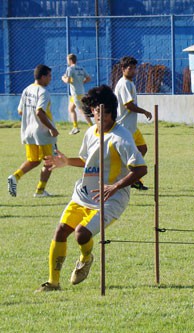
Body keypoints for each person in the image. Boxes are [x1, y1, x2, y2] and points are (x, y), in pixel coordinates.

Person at [35, 85, 147, 292]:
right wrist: (67, 162)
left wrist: (115, 186)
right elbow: (86, 160)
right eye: (96, 111)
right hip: (83, 195)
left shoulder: (121, 137)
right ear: (92, 111)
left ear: (113, 112)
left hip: (111, 199)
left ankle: (86, 259)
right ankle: (53, 282)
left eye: (105, 112)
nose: (100, 116)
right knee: (60, 231)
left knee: (81, 234)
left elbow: (141, 169)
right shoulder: (90, 132)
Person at [7, 64, 58, 198]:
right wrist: (52, 128)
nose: (50, 79)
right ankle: (40, 191)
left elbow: (20, 111)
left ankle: (15, 177)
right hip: (42, 133)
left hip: (28, 131)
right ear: (43, 77)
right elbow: (40, 111)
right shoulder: (43, 92)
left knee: (34, 160)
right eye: (49, 76)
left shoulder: (27, 90)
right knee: (49, 161)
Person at [114, 56, 152, 190]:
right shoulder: (124, 83)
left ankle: (134, 178)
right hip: (124, 127)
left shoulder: (130, 83)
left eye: (135, 68)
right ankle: (130, 178)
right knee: (128, 155)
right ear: (123, 69)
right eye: (130, 68)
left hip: (132, 127)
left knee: (142, 149)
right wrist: (144, 111)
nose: (133, 71)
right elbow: (128, 105)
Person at [61, 53, 92, 134]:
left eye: (67, 60)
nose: (67, 62)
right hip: (80, 92)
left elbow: (67, 80)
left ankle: (92, 126)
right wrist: (81, 82)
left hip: (76, 94)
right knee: (71, 109)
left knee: (82, 111)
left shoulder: (70, 69)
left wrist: (63, 78)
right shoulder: (81, 68)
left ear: (70, 60)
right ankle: (75, 127)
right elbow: (88, 78)